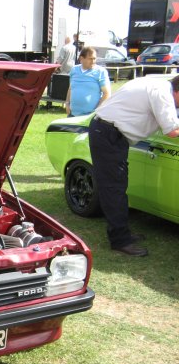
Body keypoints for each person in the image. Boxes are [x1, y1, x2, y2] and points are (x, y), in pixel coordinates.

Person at [88, 75, 179, 256]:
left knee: (117, 186)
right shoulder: (162, 93)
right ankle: (120, 240)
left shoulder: (156, 83)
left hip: (108, 132)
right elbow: (172, 131)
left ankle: (122, 234)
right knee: (115, 188)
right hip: (109, 134)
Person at [65, 47, 111, 117]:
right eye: (90, 59)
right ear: (81, 59)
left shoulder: (100, 72)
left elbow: (106, 93)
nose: (93, 61)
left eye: (94, 58)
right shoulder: (74, 70)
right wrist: (67, 103)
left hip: (90, 116)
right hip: (72, 114)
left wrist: (96, 111)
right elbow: (71, 88)